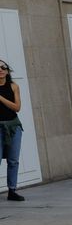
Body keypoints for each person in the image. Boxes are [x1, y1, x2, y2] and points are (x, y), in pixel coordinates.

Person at [0, 58, 24, 201]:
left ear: (7, 70)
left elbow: (17, 108)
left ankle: (12, 191)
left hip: (14, 126)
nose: (1, 69)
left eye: (3, 67)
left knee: (13, 160)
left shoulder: (14, 86)